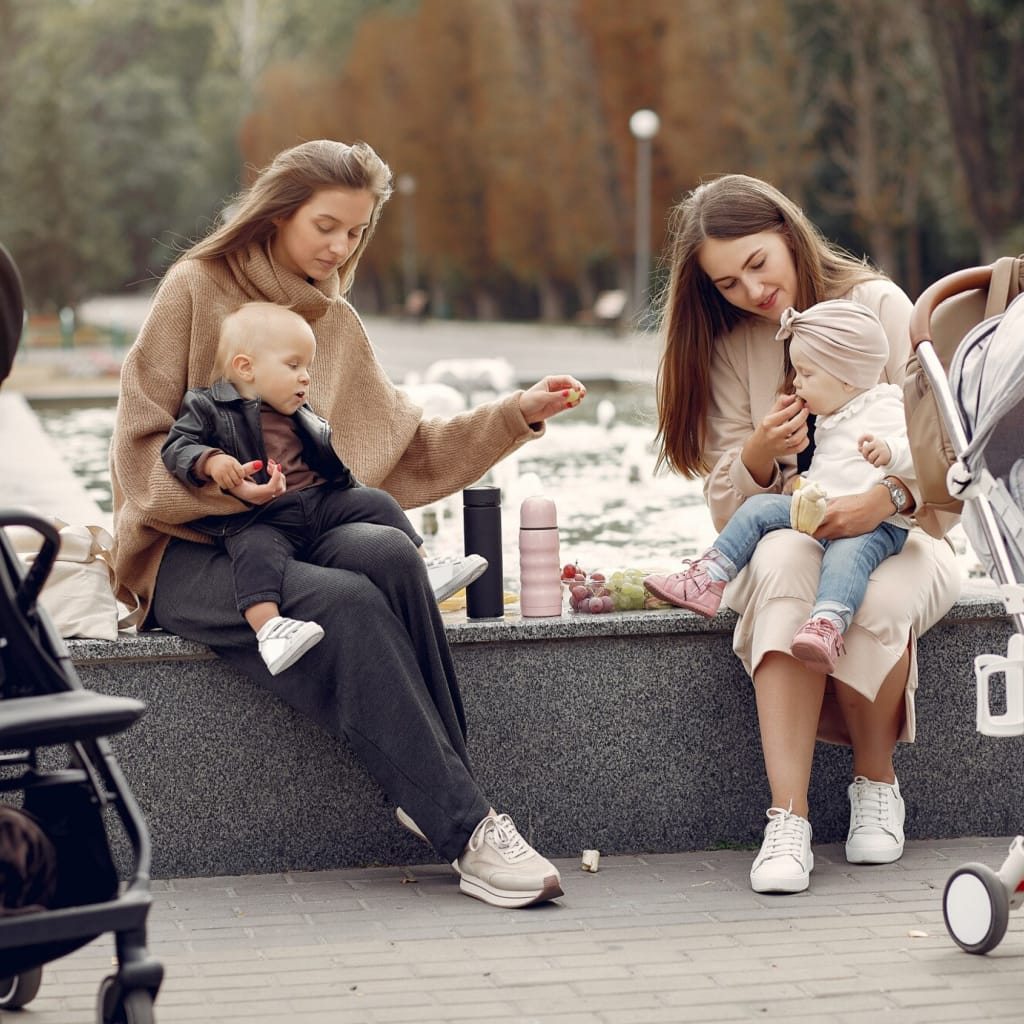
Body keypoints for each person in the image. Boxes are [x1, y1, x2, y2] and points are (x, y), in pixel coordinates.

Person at [110, 138, 586, 909]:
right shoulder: (195, 289)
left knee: (390, 555)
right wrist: (235, 487)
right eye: (325, 225)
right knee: (346, 604)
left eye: (356, 232)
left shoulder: (335, 323)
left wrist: (514, 415)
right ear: (277, 214)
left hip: (300, 524)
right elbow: (138, 451)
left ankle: (442, 796)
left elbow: (401, 452)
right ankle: (467, 827)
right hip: (190, 551)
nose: (339, 248)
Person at [651, 173, 960, 895]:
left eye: (758, 264)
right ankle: (785, 819)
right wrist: (759, 454)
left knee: (878, 602)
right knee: (787, 556)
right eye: (727, 283)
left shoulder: (879, 306)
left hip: (911, 533)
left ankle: (874, 784)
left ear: (789, 235)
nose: (752, 291)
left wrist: (884, 497)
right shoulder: (733, 347)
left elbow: (951, 456)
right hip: (797, 531)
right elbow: (731, 508)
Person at [161, 300, 484, 676]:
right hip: (265, 515)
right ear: (246, 368)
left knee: (377, 502)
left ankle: (424, 566)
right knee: (253, 553)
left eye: (307, 368)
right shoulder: (208, 405)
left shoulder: (297, 410)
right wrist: (214, 462)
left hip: (319, 501)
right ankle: (269, 629)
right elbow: (177, 447)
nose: (305, 377)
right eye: (293, 365)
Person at [645, 298, 915, 676]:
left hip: (875, 526)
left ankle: (828, 623)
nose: (796, 382)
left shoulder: (885, 404)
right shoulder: (833, 414)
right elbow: (835, 468)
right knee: (756, 510)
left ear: (847, 377)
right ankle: (707, 577)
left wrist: (890, 452)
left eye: (806, 373)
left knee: (846, 557)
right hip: (825, 512)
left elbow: (920, 454)